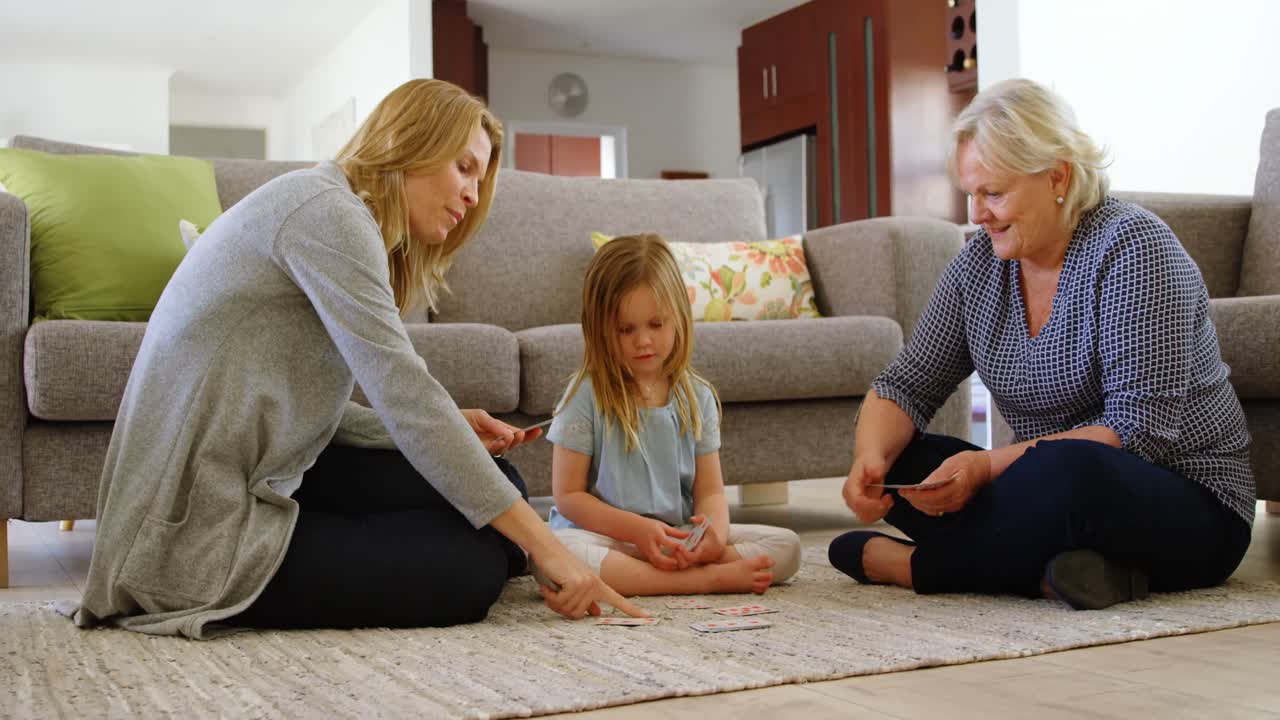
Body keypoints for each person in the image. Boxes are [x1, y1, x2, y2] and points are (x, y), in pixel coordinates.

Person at [72, 79, 642, 638]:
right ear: (412, 140)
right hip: (190, 526)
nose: (473, 196)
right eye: (464, 168)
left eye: (480, 177)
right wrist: (549, 548)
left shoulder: (331, 208)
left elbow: (304, 403)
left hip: (252, 469)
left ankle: (374, 538)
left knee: (501, 485)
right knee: (469, 567)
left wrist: (446, 430)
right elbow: (405, 393)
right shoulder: (329, 214)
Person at [828, 78, 1254, 610]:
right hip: (1046, 492)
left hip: (1189, 502)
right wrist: (869, 460)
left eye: (993, 193)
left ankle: (919, 567)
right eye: (970, 193)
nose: (976, 214)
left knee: (1066, 467)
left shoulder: (1134, 249)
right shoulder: (978, 264)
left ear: (1057, 175)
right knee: (905, 460)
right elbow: (907, 383)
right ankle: (1068, 573)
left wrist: (986, 468)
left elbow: (1138, 433)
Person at [545, 234, 802, 597]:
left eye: (656, 324)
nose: (643, 341)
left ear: (678, 318)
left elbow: (710, 491)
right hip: (607, 538)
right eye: (625, 329)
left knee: (787, 546)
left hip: (676, 534)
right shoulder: (584, 394)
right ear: (598, 328)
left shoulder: (695, 395)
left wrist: (711, 536)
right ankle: (703, 580)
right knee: (555, 556)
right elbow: (569, 496)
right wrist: (636, 531)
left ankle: (661, 573)